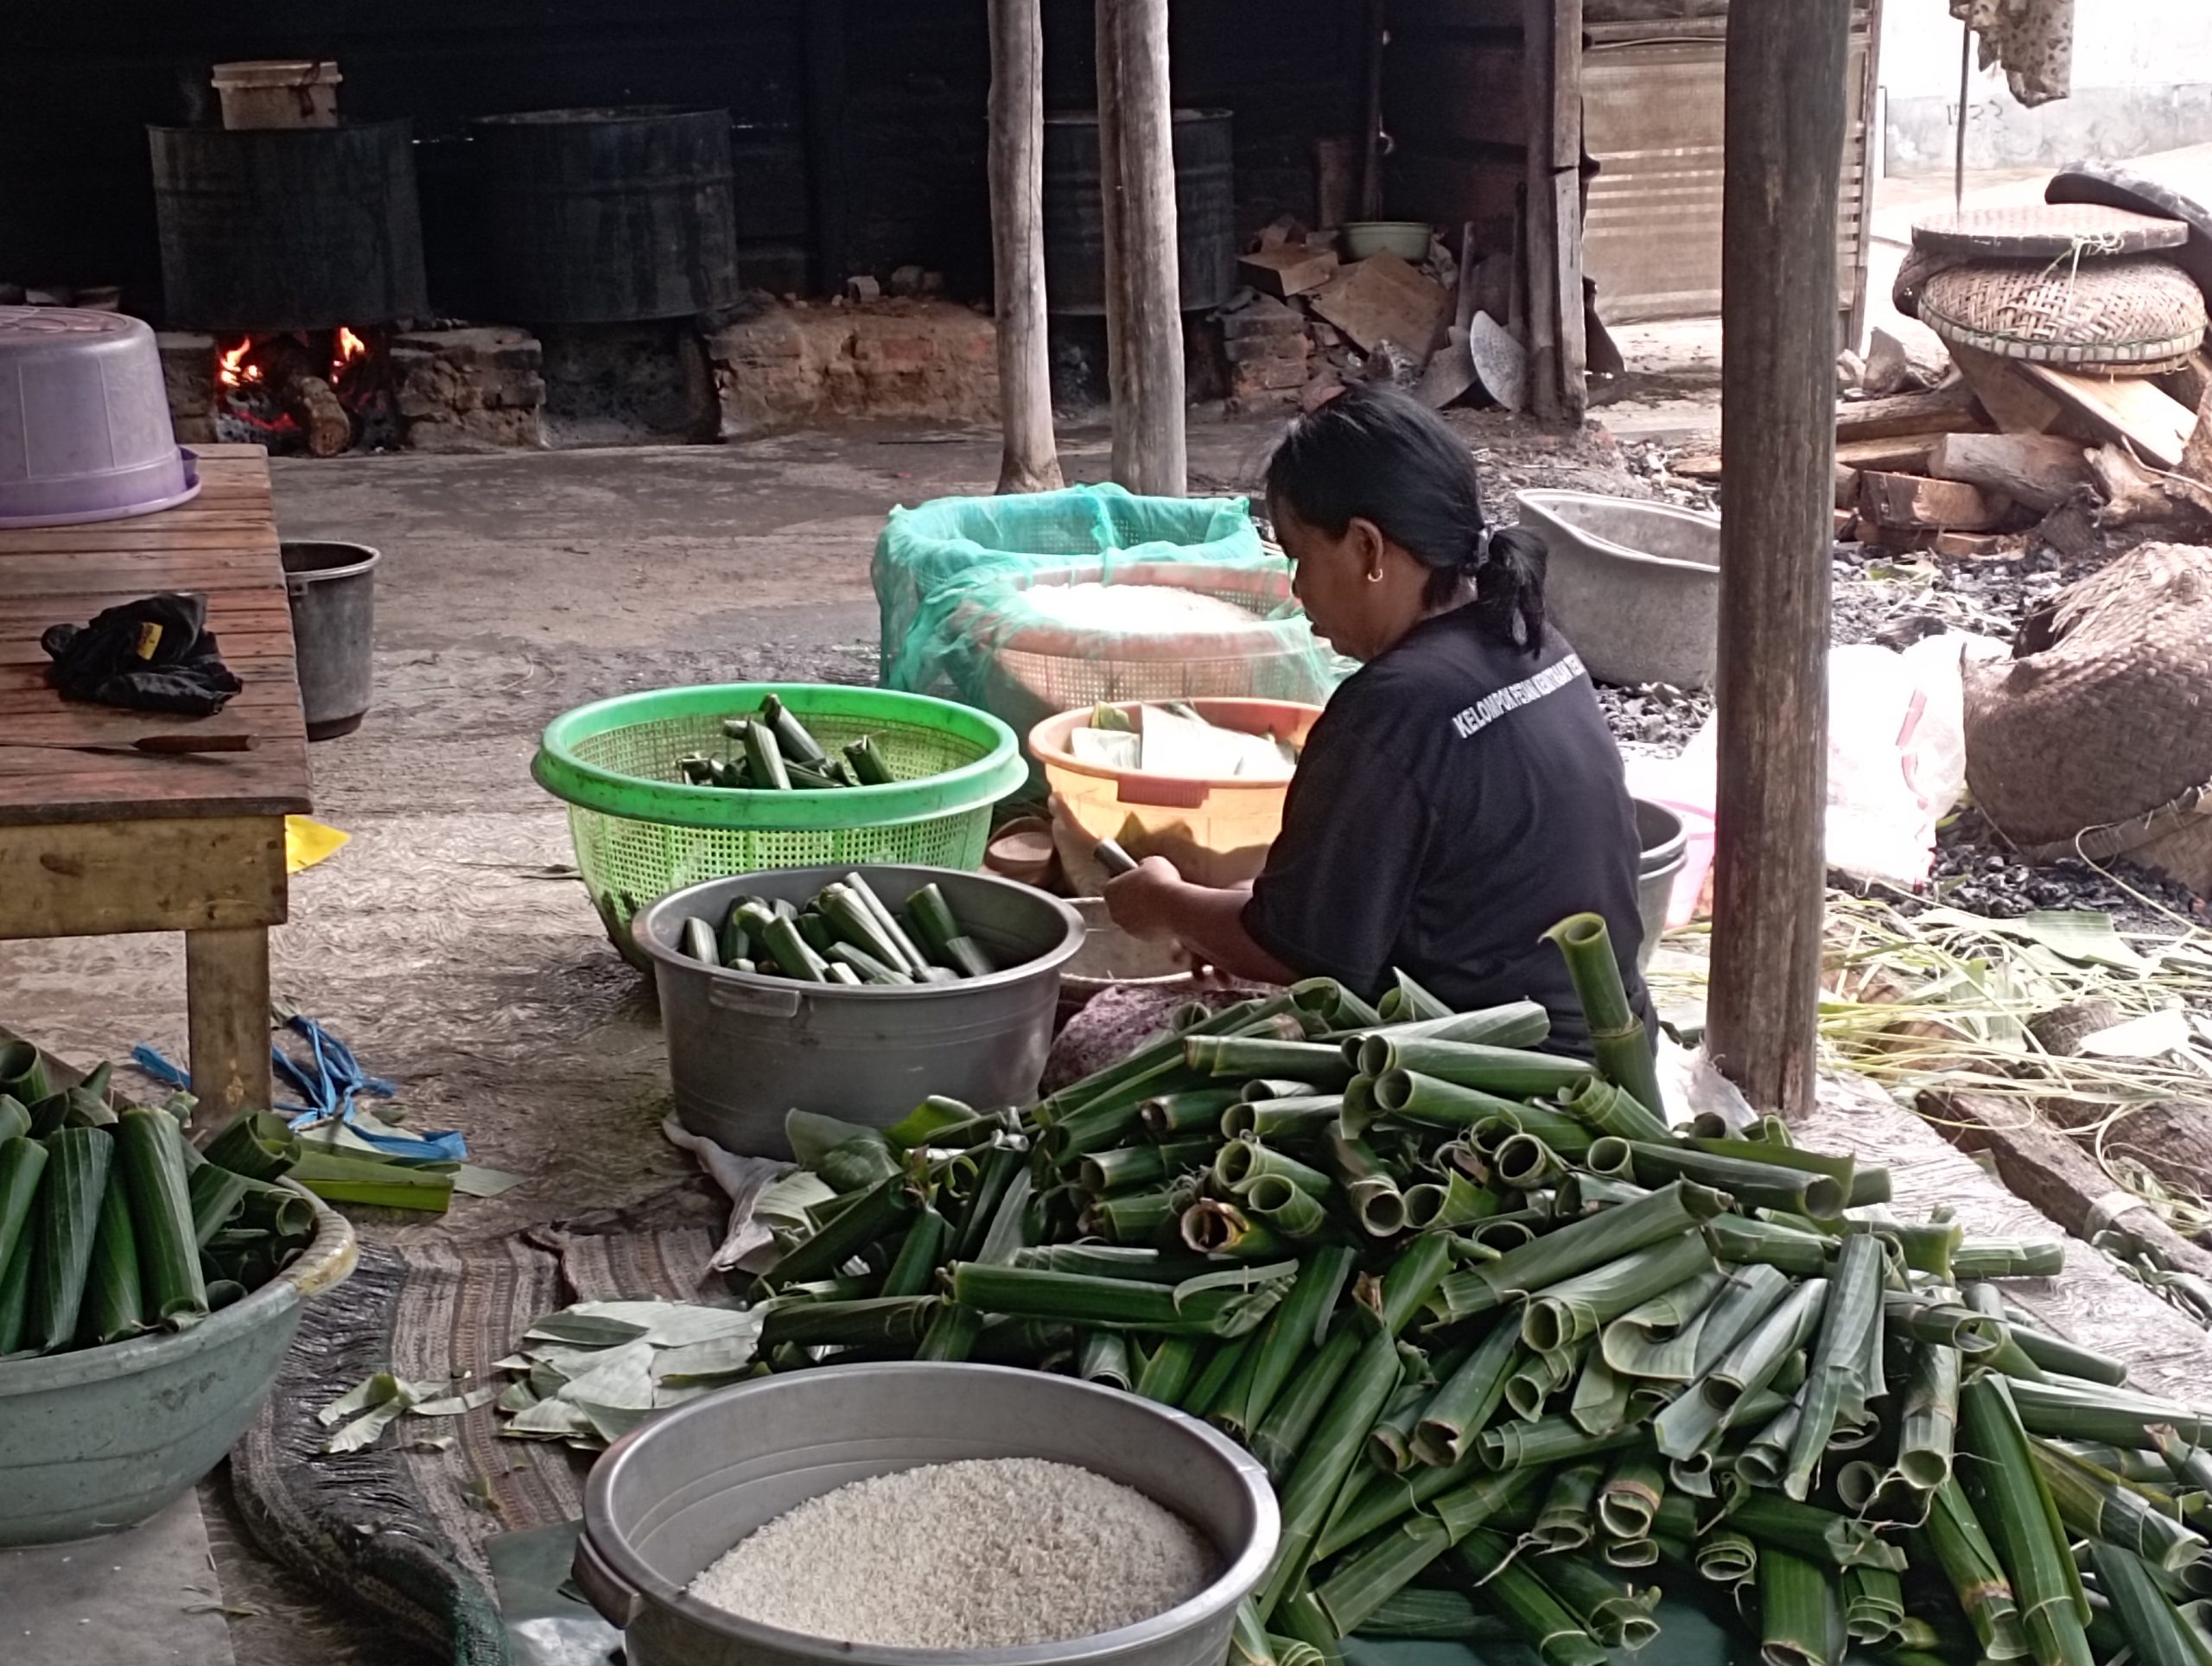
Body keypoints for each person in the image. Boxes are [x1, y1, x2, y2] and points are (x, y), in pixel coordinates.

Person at [1103, 383, 1652, 1059]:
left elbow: (1306, 962)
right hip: (1619, 1055)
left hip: (1507, 1090)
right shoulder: (1531, 638)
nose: (1297, 588)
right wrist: (1248, 910)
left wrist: (1166, 903)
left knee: (1101, 1036)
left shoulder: (1391, 707)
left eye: (1299, 557)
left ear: (1368, 549)